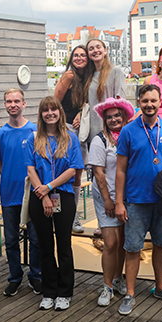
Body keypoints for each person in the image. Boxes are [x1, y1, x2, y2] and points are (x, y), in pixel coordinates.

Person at [114, 84, 162, 315]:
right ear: (139, 102)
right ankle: (130, 293)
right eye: (145, 101)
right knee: (133, 248)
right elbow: (121, 170)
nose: (150, 105)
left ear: (160, 101)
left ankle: (160, 287)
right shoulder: (128, 131)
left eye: (153, 100)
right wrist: (119, 202)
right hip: (136, 200)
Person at [26, 96, 84, 311]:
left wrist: (48, 188)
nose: (50, 113)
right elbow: (31, 169)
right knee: (44, 245)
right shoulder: (33, 139)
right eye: (45, 110)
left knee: (64, 245)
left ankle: (65, 291)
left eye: (53, 109)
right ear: (41, 114)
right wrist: (43, 194)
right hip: (39, 195)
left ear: (60, 112)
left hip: (63, 194)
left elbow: (73, 169)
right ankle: (48, 291)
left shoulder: (71, 139)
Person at [0, 89, 41, 297]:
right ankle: (14, 277)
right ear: (5, 105)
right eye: (8, 101)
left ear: (23, 103)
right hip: (9, 195)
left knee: (36, 238)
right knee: (11, 240)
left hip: (33, 194)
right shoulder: (0, 135)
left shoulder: (35, 131)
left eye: (16, 101)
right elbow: (1, 165)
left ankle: (36, 275)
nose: (12, 104)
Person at [89, 96, 135, 307]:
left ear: (124, 115)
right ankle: (106, 285)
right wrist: (108, 200)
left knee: (124, 242)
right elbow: (98, 172)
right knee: (110, 242)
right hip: (106, 195)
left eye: (117, 115)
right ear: (104, 120)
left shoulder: (130, 136)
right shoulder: (100, 140)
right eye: (109, 117)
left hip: (127, 196)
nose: (114, 120)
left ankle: (118, 279)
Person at [54, 45, 93, 233]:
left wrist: (80, 112)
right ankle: (65, 215)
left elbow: (89, 102)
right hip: (67, 129)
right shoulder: (69, 76)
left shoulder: (90, 78)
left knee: (79, 173)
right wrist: (62, 128)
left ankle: (72, 216)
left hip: (82, 131)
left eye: (82, 55)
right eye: (76, 55)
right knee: (64, 172)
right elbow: (55, 103)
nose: (79, 58)